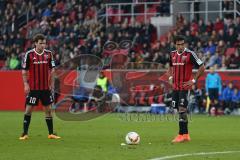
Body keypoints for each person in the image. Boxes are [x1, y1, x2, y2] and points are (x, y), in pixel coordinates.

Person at [19, 34, 61, 140]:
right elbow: (24, 71)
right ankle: (24, 133)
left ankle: (51, 133)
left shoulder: (49, 54)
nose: (43, 45)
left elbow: (53, 70)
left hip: (45, 89)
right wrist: (25, 84)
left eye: (44, 43)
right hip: (33, 88)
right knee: (28, 110)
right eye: (41, 43)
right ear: (36, 43)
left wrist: (51, 84)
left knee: (48, 110)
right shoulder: (29, 54)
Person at [167, 35, 205, 143]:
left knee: (182, 109)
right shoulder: (172, 54)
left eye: (182, 44)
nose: (180, 46)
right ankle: (186, 134)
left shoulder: (190, 54)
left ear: (185, 44)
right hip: (175, 87)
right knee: (179, 110)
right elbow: (169, 66)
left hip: (185, 87)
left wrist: (193, 80)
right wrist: (170, 77)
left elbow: (202, 67)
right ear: (175, 45)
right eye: (178, 44)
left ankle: (180, 135)